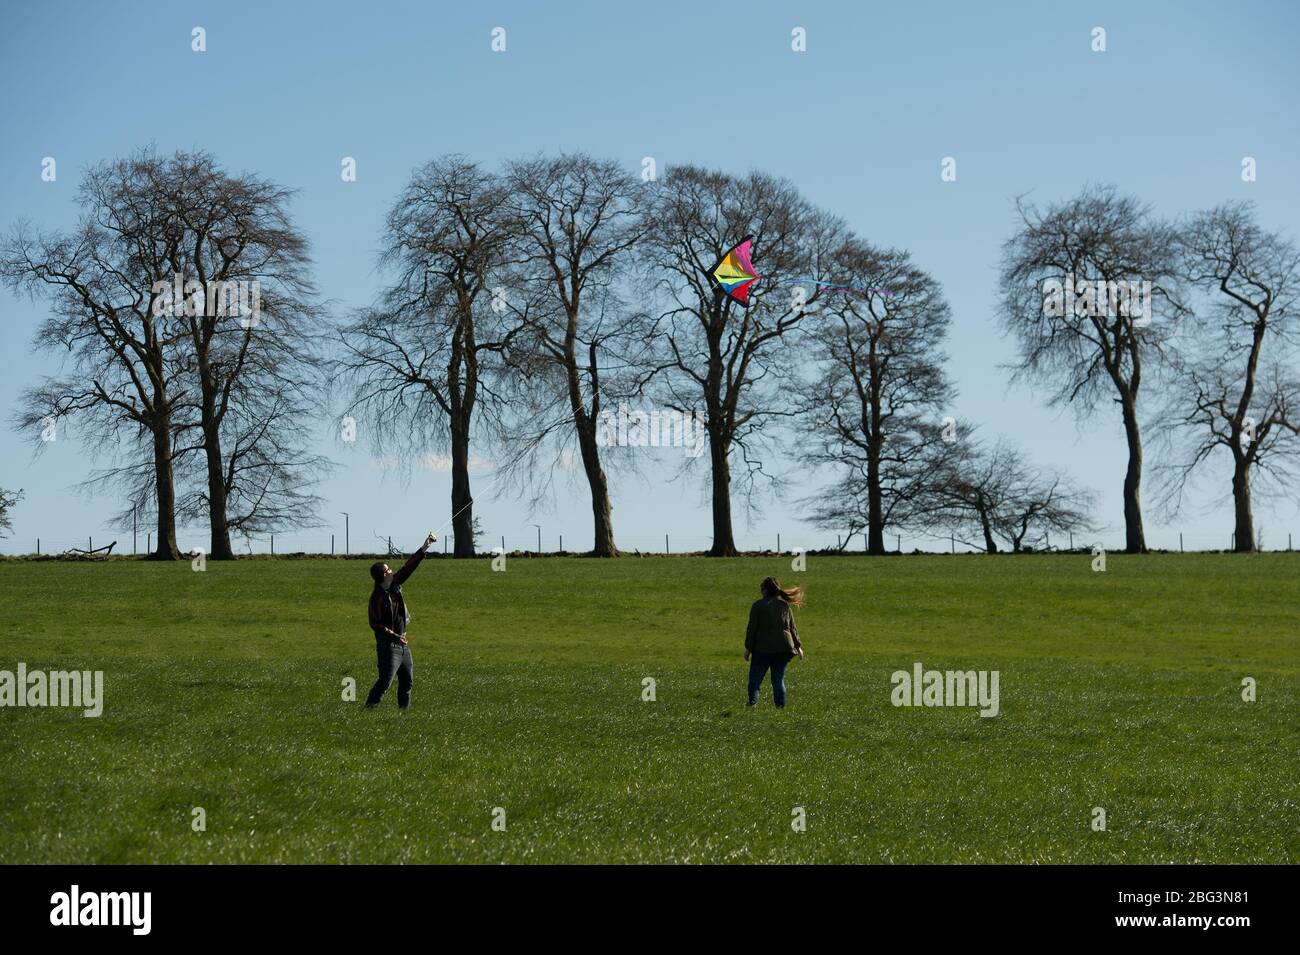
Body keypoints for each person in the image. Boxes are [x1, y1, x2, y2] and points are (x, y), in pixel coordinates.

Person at [365, 533, 436, 709]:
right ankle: (369, 709)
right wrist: (395, 636)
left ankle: (403, 714)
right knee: (385, 682)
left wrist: (424, 547)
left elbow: (408, 568)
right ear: (383, 575)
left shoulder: (394, 585)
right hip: (389, 646)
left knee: (407, 682)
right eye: (389, 570)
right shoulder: (377, 598)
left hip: (403, 645)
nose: (392, 571)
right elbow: (376, 625)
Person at [744, 576, 804, 708]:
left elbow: (752, 629)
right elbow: (792, 627)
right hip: (784, 648)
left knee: (755, 679)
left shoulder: (758, 606)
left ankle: (753, 702)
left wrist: (748, 648)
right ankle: (780, 706)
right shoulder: (784, 606)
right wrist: (798, 646)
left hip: (762, 649)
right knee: (778, 680)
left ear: (764, 590)